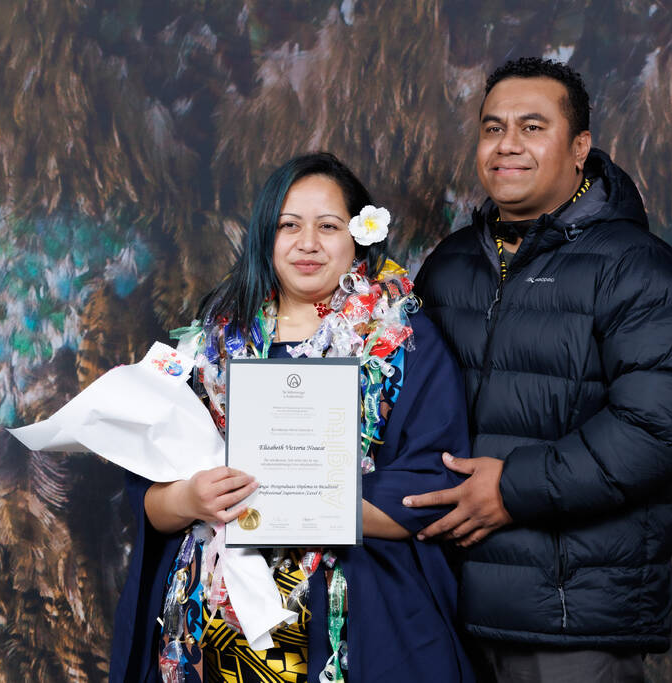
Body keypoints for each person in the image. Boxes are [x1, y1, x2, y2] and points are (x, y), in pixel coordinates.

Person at [110, 152, 475, 683]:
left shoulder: (402, 343)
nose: (308, 243)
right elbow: (150, 500)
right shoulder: (213, 343)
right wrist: (191, 498)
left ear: (358, 236)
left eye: (328, 226)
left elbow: (427, 488)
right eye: (289, 225)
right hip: (216, 628)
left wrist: (300, 503)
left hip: (358, 620)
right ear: (266, 236)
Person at [407, 57, 672, 682]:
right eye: (492, 129)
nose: (507, 146)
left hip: (573, 622)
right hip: (444, 607)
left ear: (580, 148)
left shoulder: (639, 270)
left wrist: (510, 489)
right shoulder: (448, 266)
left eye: (531, 127)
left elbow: (656, 430)